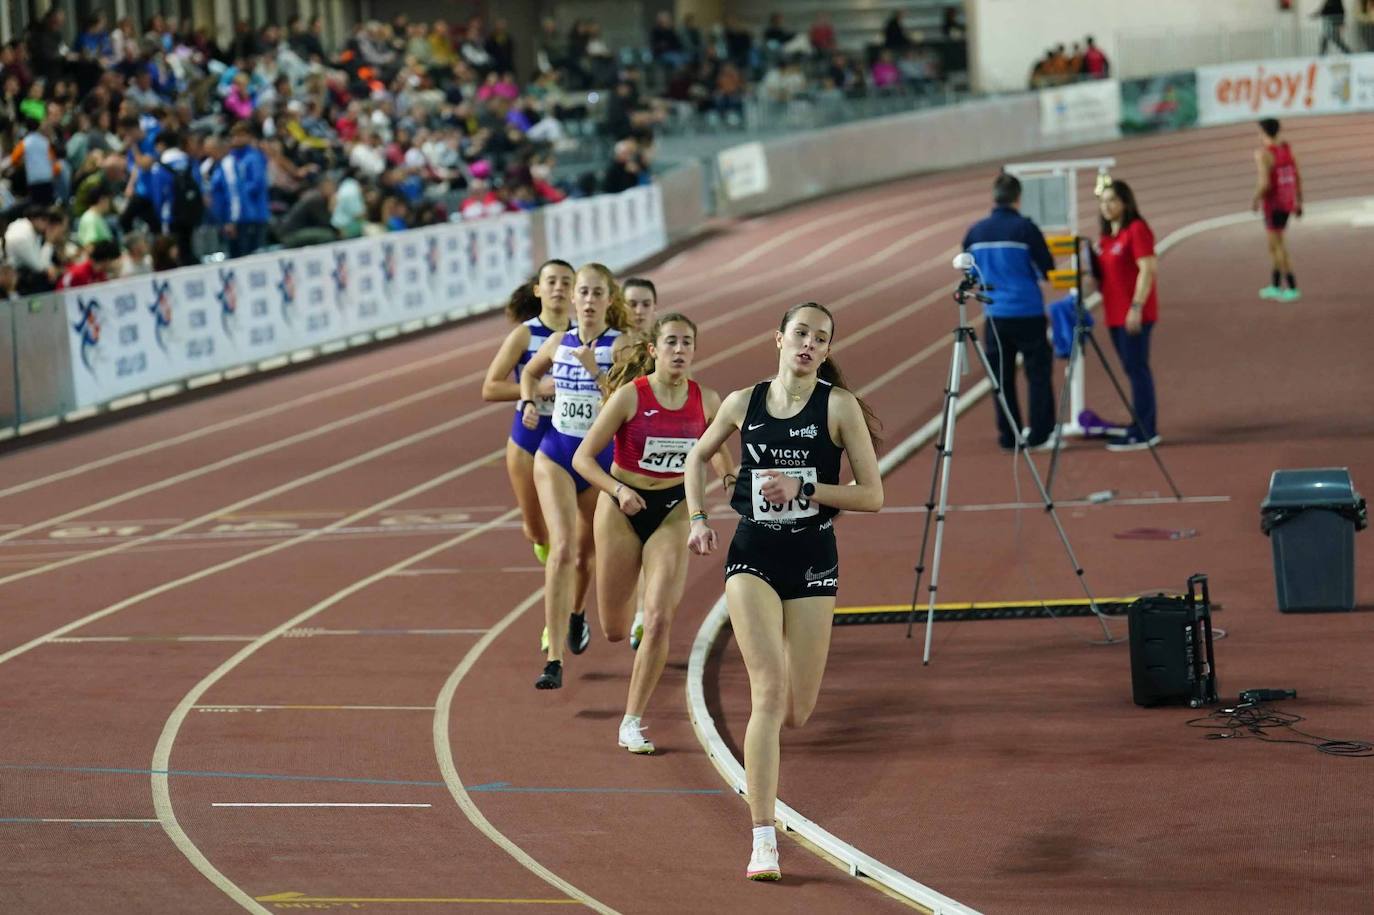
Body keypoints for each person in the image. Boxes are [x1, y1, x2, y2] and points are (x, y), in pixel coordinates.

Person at [684, 301, 883, 882]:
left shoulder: (838, 406)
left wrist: (809, 487)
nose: (809, 345)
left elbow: (872, 495)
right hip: (754, 555)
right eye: (800, 334)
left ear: (826, 350)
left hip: (813, 558)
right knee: (767, 694)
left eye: (820, 339)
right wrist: (699, 518)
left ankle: (765, 817)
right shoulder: (742, 402)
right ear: (778, 338)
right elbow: (698, 457)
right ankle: (762, 839)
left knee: (797, 710)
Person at [572, 313, 732, 753]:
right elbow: (584, 460)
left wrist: (732, 478)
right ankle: (627, 616)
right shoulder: (629, 396)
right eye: (671, 342)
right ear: (653, 351)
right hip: (621, 508)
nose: (679, 350)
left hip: (671, 509)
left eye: (687, 343)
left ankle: (631, 722)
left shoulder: (706, 400)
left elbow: (715, 449)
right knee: (613, 630)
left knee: (661, 617)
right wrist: (619, 490)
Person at [519, 263, 634, 690]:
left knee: (587, 556)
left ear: (608, 300)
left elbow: (629, 402)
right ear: (574, 299)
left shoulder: (621, 345)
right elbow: (529, 374)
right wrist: (530, 402)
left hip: (599, 462)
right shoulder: (555, 342)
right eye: (581, 292)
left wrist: (596, 371)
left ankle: (576, 614)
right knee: (562, 548)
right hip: (555, 455)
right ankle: (553, 660)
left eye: (596, 293)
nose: (587, 300)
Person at [481, 259, 576, 585]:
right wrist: (532, 389)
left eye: (566, 282)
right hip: (529, 437)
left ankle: (563, 592)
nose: (559, 289)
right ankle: (547, 550)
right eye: (551, 282)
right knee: (537, 529)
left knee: (570, 531)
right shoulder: (524, 335)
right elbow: (490, 387)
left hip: (571, 436)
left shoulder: (584, 334)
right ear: (538, 290)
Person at [961, 173, 1057, 451]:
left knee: (1001, 378)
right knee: (1037, 374)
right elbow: (1046, 269)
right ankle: (1039, 434)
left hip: (995, 315)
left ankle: (1009, 435)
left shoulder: (975, 232)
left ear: (994, 197)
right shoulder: (1026, 229)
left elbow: (969, 271)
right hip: (1028, 312)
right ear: (1018, 197)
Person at [1094, 179, 1161, 452]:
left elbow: (1147, 270)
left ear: (1125, 202)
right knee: (1131, 369)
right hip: (1114, 314)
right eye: (1103, 201)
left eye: (1112, 200)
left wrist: (1136, 306)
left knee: (1137, 369)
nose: (1106, 206)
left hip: (1134, 313)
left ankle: (1146, 430)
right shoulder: (1107, 237)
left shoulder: (1136, 230)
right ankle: (1139, 424)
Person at [621, 275, 659, 650]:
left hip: (657, 462)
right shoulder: (613, 346)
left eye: (645, 303)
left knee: (653, 544)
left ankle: (642, 617)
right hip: (614, 458)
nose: (638, 310)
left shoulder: (666, 347)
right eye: (632, 303)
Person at [1253, 118, 1303, 302]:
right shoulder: (1288, 150)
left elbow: (1264, 183)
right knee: (1273, 246)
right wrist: (1300, 202)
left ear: (1264, 132)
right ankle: (1275, 285)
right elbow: (1298, 176)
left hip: (1273, 205)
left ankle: (1291, 287)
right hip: (1287, 202)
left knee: (1279, 247)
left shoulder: (1264, 154)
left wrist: (1255, 199)